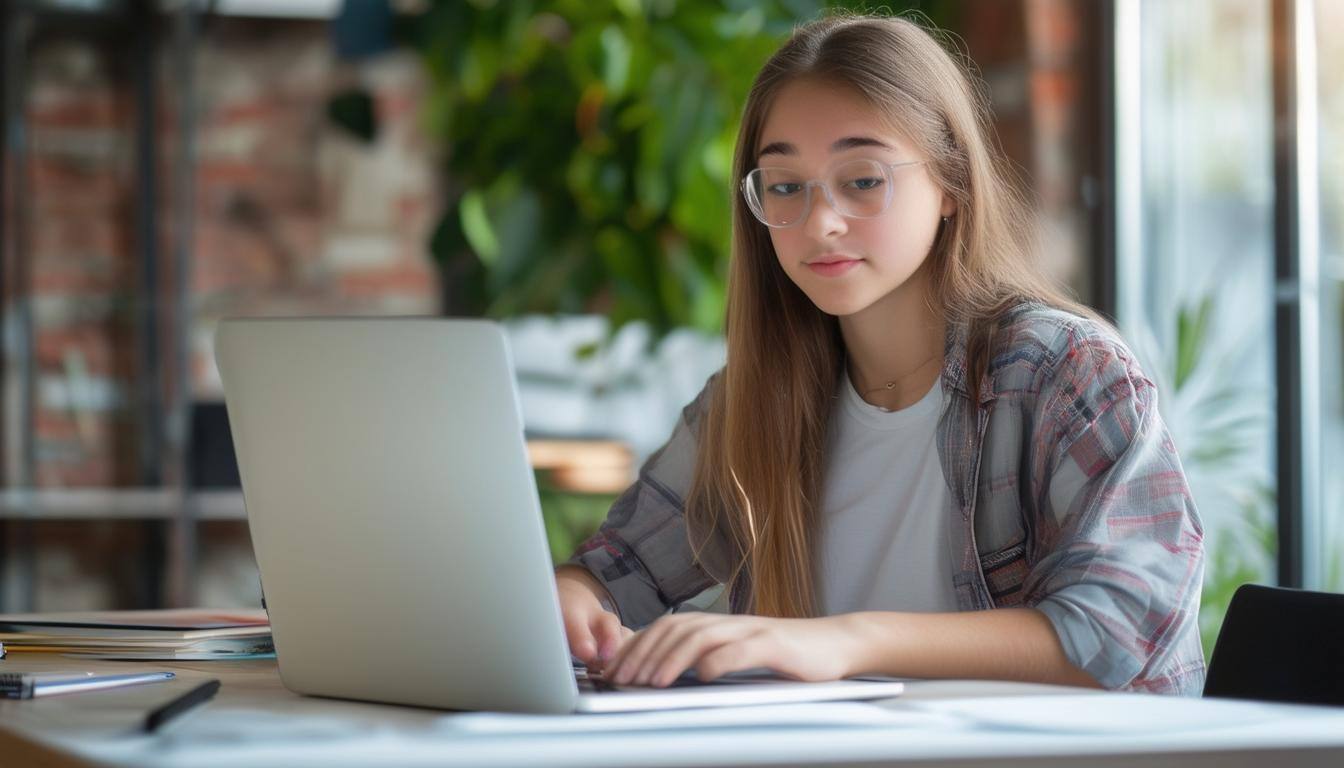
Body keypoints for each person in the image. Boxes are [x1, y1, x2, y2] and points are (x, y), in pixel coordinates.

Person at [554, 13, 1205, 695]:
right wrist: (575, 602)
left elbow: (1117, 627)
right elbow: (614, 569)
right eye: (784, 185)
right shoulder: (756, 397)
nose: (820, 221)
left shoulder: (1063, 371)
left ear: (951, 184)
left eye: (862, 180)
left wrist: (843, 641)